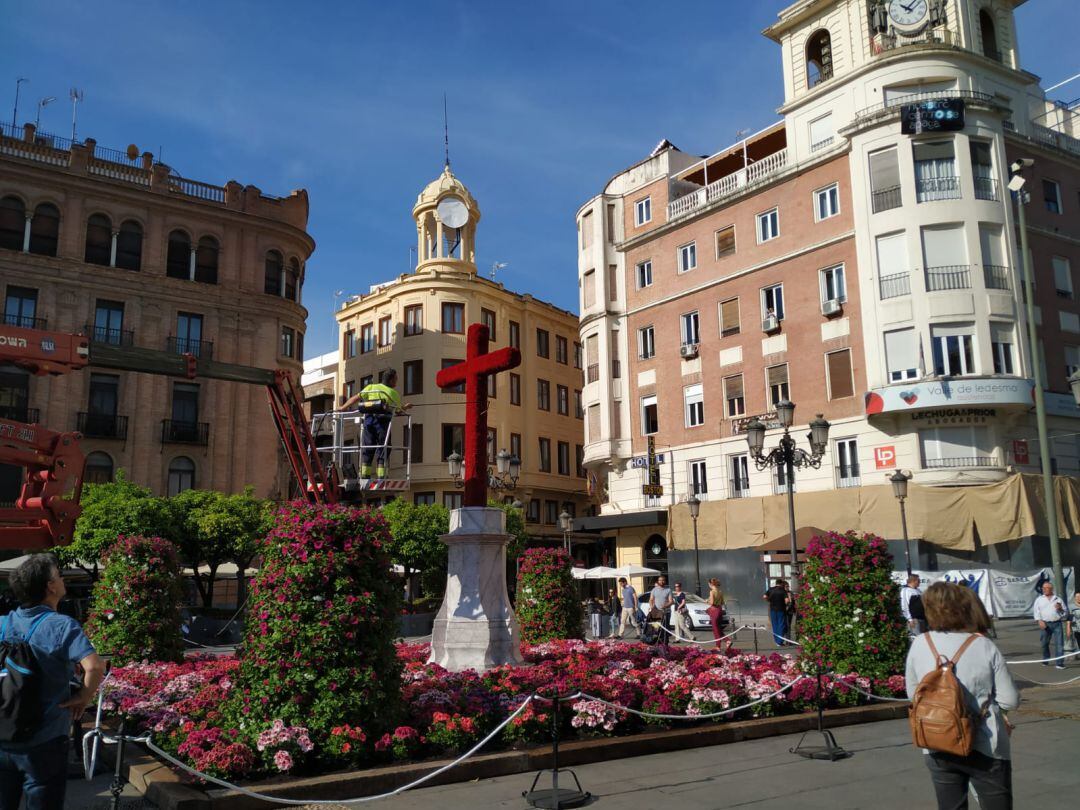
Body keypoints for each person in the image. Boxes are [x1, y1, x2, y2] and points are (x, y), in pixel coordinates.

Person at [0, 554, 106, 810]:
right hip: (45, 740)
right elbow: (94, 667)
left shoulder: (2, 623)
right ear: (50, 586)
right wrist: (83, 696)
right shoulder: (61, 626)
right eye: (58, 575)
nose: (62, 579)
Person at [906, 582, 1019, 810]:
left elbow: (913, 694)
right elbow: (1010, 699)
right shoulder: (983, 645)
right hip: (984, 742)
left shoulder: (920, 643)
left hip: (937, 740)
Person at [341, 368, 412, 479]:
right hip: (382, 425)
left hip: (368, 423)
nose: (396, 382)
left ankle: (364, 475)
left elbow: (355, 398)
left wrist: (343, 407)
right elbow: (397, 411)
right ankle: (381, 476)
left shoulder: (371, 387)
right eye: (396, 379)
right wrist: (405, 407)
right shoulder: (393, 393)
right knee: (383, 448)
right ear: (392, 380)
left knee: (367, 448)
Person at [1032, 580, 1067, 669]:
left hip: (1057, 624)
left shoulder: (1058, 599)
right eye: (1044, 588)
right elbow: (1036, 612)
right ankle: (1046, 659)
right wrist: (1039, 621)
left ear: (1051, 589)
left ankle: (1059, 663)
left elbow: (1065, 613)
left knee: (1059, 644)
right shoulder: (1039, 599)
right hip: (1045, 624)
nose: (1045, 589)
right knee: (1044, 643)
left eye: (1047, 588)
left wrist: (1060, 609)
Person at [763, 578, 790, 646]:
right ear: (781, 584)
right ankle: (779, 641)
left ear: (776, 583)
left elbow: (764, 596)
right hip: (781, 609)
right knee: (781, 625)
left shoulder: (770, 589)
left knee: (775, 625)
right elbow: (787, 601)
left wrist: (769, 600)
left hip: (772, 609)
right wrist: (786, 604)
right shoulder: (783, 591)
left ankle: (776, 641)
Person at [648, 576, 673, 648]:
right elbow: (651, 599)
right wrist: (651, 606)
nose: (661, 582)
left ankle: (665, 644)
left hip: (666, 612)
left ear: (665, 581)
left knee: (665, 628)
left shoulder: (668, 590)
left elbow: (671, 601)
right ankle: (656, 643)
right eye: (660, 580)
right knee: (656, 628)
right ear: (658, 581)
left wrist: (665, 606)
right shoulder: (654, 590)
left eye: (663, 580)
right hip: (656, 612)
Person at [706, 578, 728, 651]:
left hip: (714, 611)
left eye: (708, 584)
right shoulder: (720, 591)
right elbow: (722, 602)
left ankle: (718, 646)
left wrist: (707, 602)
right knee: (718, 628)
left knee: (715, 630)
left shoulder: (712, 592)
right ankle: (727, 640)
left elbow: (712, 603)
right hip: (719, 610)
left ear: (711, 584)